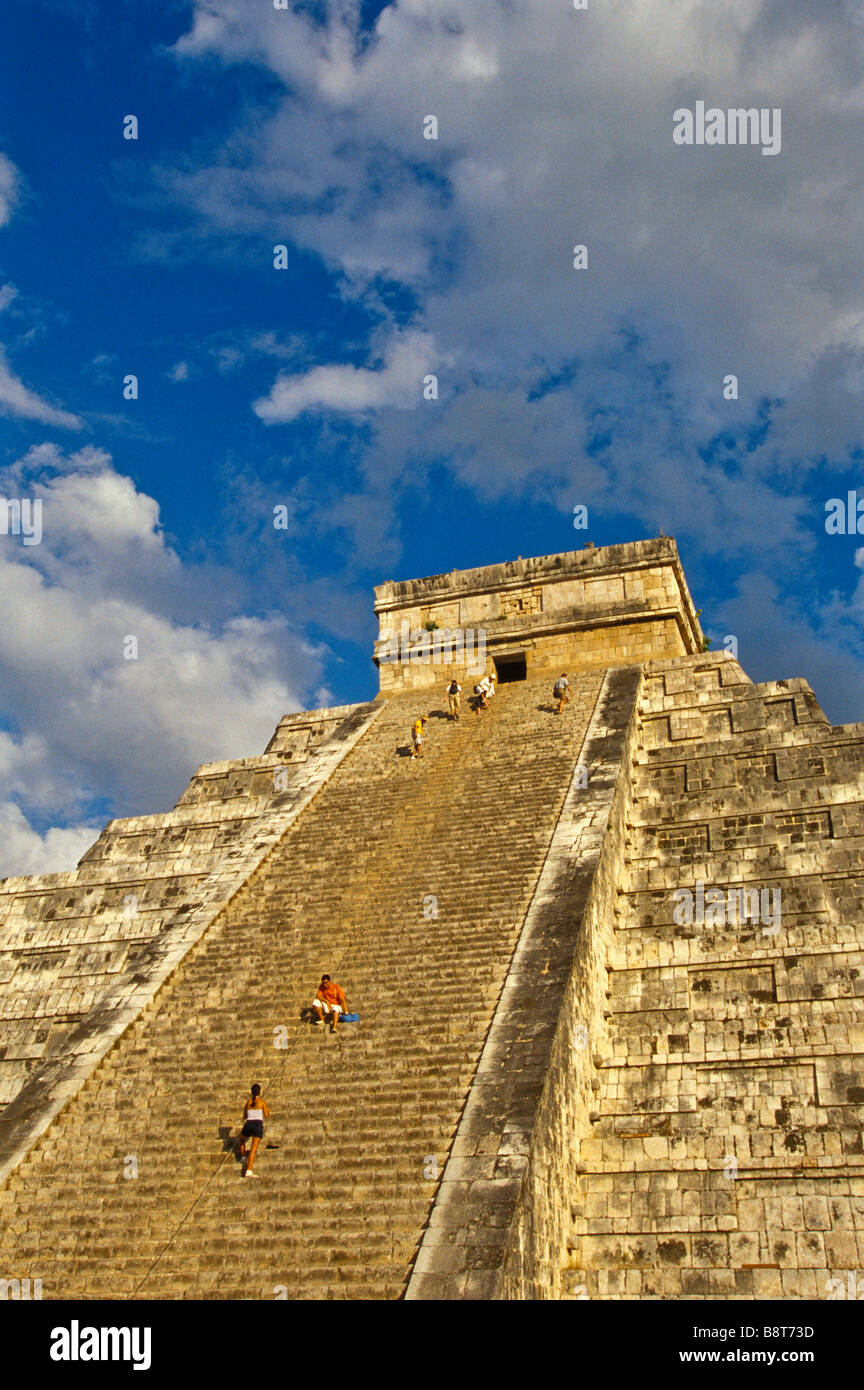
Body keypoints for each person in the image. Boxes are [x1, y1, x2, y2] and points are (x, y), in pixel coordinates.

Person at [238, 1083, 270, 1179]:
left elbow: (244, 1116)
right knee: (253, 1148)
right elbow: (267, 1115)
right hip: (257, 1125)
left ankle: (243, 1157)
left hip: (249, 1124)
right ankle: (249, 1170)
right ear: (259, 1092)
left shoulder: (248, 1102)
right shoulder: (262, 1102)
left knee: (241, 1139)